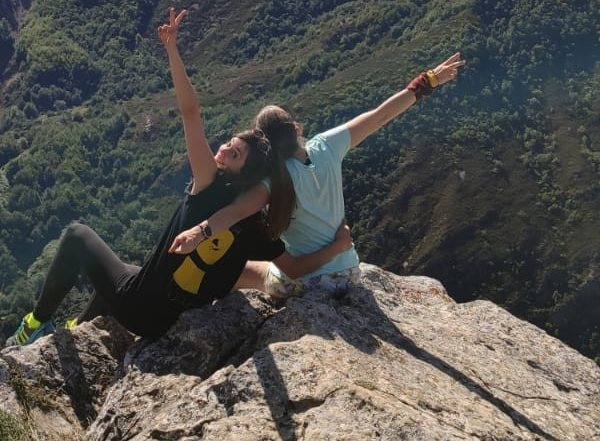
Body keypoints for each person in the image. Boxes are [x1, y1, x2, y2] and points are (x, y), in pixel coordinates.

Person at [6, 8, 352, 345]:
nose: (220, 151)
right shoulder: (256, 224)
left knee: (77, 235)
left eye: (231, 153)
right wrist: (337, 247)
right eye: (227, 145)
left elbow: (190, 112)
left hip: (140, 313)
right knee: (129, 270)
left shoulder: (208, 185)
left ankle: (35, 325)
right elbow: (292, 266)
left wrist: (172, 49)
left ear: (242, 171)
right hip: (170, 324)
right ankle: (82, 327)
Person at [168, 51, 464, 300]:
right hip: (350, 272)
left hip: (307, 284)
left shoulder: (272, 183)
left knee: (236, 271)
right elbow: (381, 115)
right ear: (296, 129)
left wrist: (198, 233)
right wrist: (429, 80)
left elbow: (234, 212)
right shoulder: (327, 146)